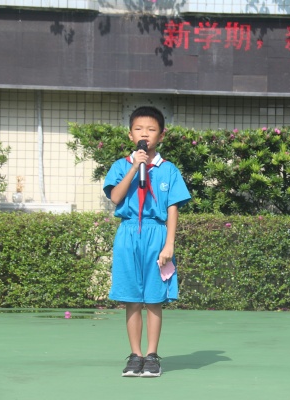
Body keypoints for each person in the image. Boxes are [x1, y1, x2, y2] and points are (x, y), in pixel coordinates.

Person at [103, 106, 191, 377]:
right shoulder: (121, 166)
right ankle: (135, 355)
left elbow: (173, 208)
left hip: (157, 234)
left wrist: (169, 244)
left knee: (153, 299)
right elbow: (115, 197)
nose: (145, 134)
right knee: (131, 298)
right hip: (128, 233)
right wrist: (135, 167)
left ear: (161, 135)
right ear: (130, 135)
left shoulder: (168, 170)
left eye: (151, 130)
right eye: (139, 129)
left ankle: (152, 355)